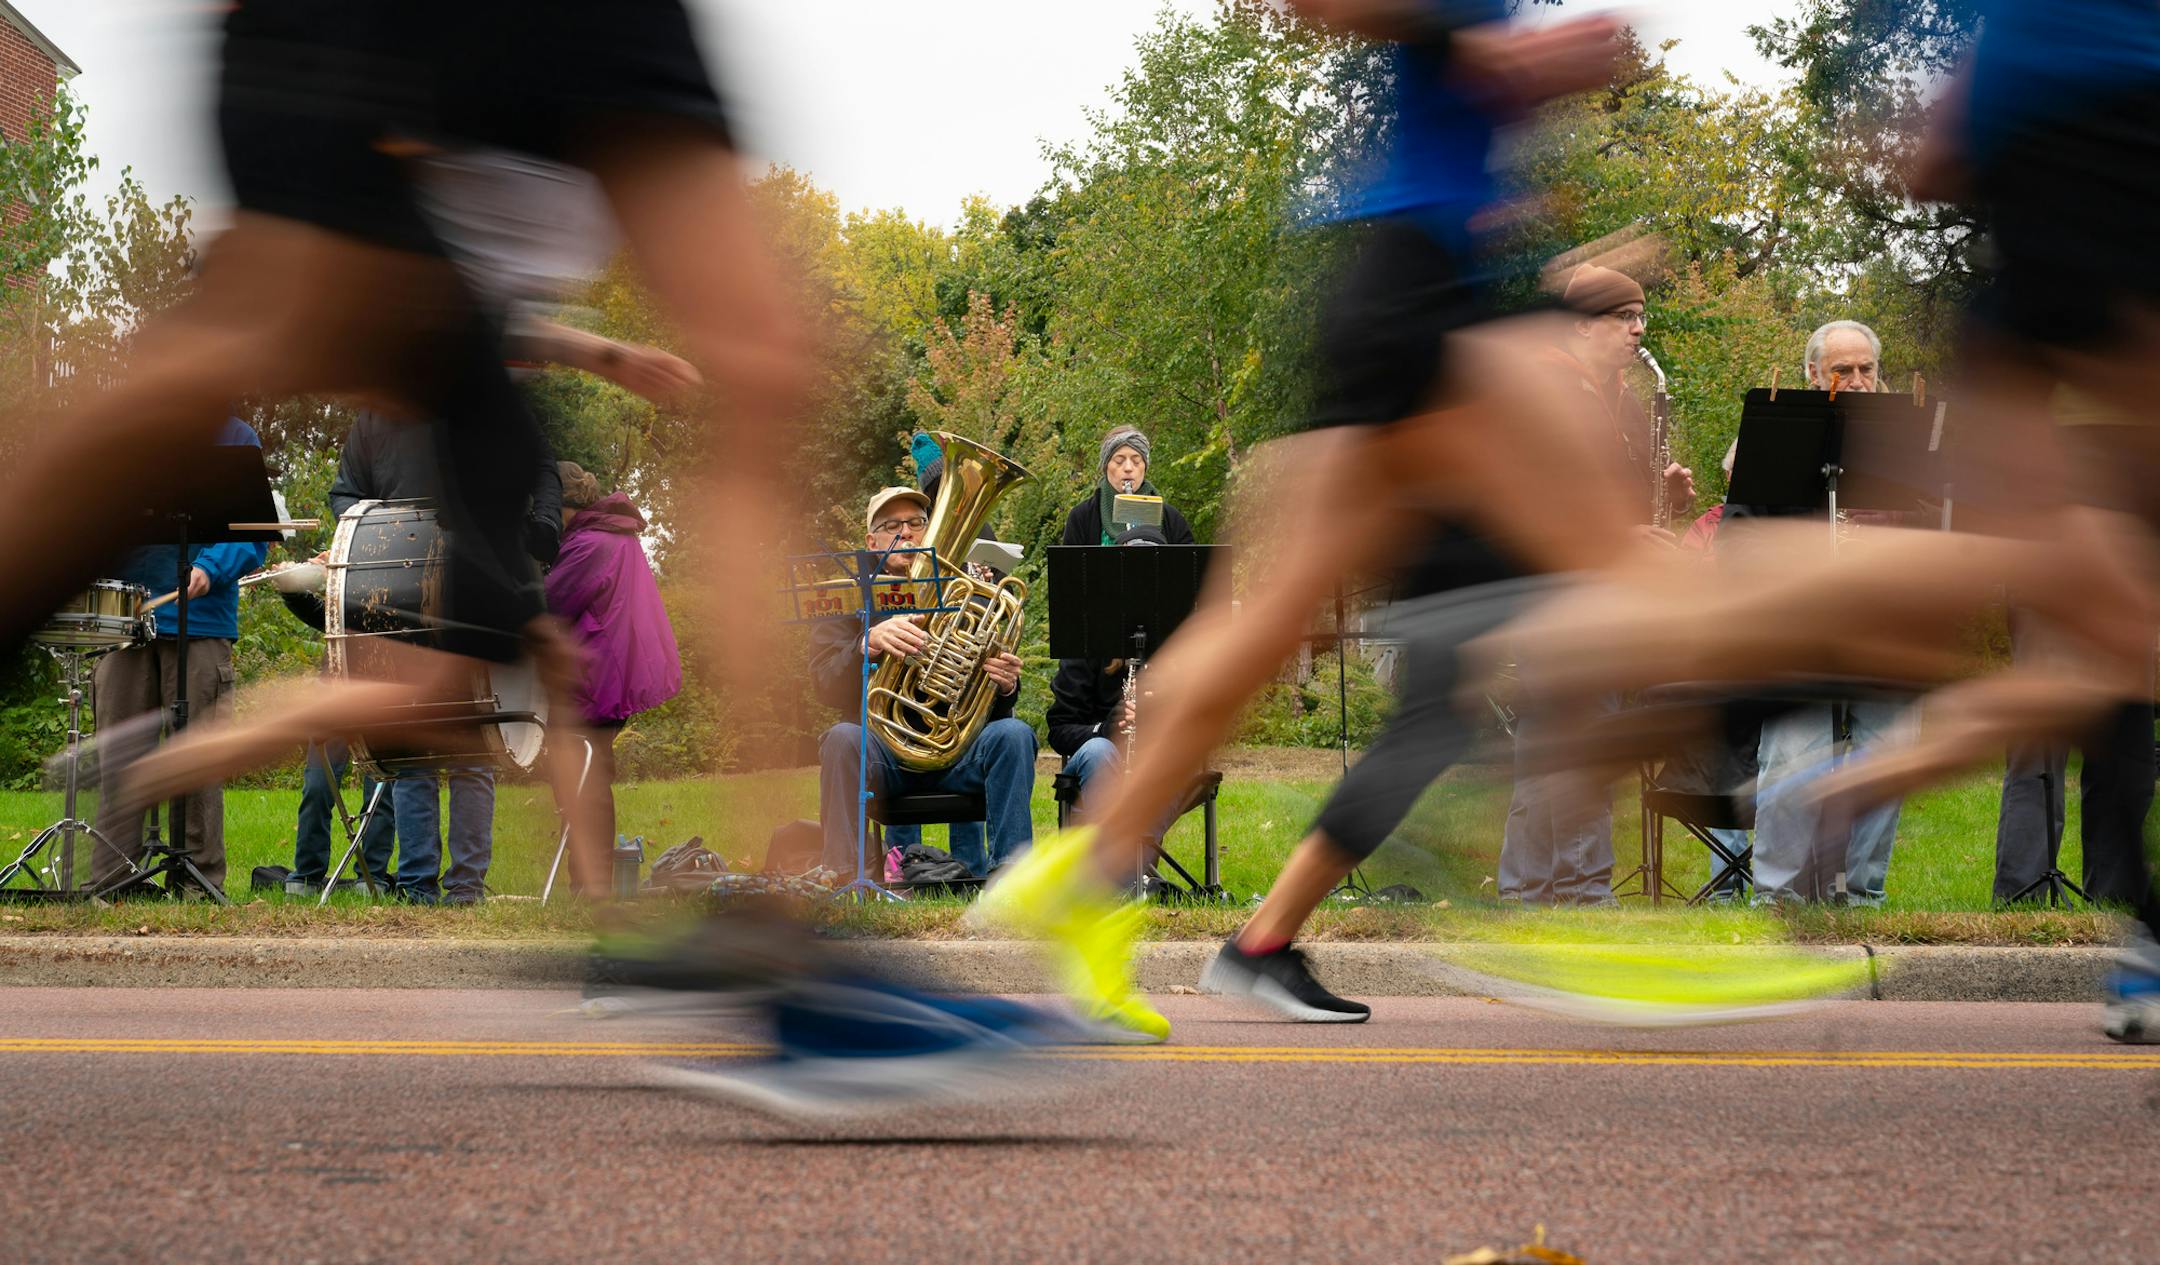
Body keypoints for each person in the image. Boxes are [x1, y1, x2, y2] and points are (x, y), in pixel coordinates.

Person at [1496, 264, 1691, 906]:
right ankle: (1584, 897)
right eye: (1625, 318)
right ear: (1582, 326)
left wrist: (1664, 499)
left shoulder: (1621, 397)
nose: (1639, 330)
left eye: (1641, 317)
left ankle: (1525, 895)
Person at [327, 408, 561, 904]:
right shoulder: (374, 417)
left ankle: (465, 888)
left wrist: (543, 521)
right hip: (398, 596)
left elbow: (541, 462)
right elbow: (346, 494)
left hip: (480, 582)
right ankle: (417, 887)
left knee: (473, 742)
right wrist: (373, 531)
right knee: (414, 747)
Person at [1723, 321, 1911, 905]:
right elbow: (1736, 543)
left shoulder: (1908, 446)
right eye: (1841, 370)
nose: (1856, 382)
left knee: (1892, 755)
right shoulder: (1777, 437)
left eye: (1866, 370)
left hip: (1885, 632)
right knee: (1790, 762)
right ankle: (1776, 901)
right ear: (1812, 375)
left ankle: (1861, 899)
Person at [811, 486, 1035, 879]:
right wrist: (867, 644)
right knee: (841, 738)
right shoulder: (847, 598)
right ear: (871, 540)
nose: (908, 532)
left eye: (916, 523)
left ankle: (1013, 880)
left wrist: (1004, 686)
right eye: (893, 525)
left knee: (1014, 734)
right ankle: (843, 878)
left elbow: (993, 704)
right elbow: (823, 684)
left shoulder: (965, 594)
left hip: (958, 749)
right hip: (885, 753)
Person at [88, 416, 271, 897]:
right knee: (120, 753)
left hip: (202, 622)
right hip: (123, 619)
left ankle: (197, 884)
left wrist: (211, 568)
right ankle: (114, 880)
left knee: (197, 757)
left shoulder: (236, 437)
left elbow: (253, 532)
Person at [544, 460, 682, 888]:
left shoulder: (589, 543)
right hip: (606, 674)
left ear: (563, 505)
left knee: (583, 777)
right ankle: (589, 882)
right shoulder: (608, 533)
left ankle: (591, 883)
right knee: (589, 771)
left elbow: (549, 605)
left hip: (594, 679)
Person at [1059, 426, 1197, 547]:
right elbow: (1069, 572)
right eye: (1119, 461)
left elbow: (1190, 569)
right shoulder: (1082, 517)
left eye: (1136, 461)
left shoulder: (1171, 518)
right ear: (1106, 466)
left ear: (1145, 467)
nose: (1128, 468)